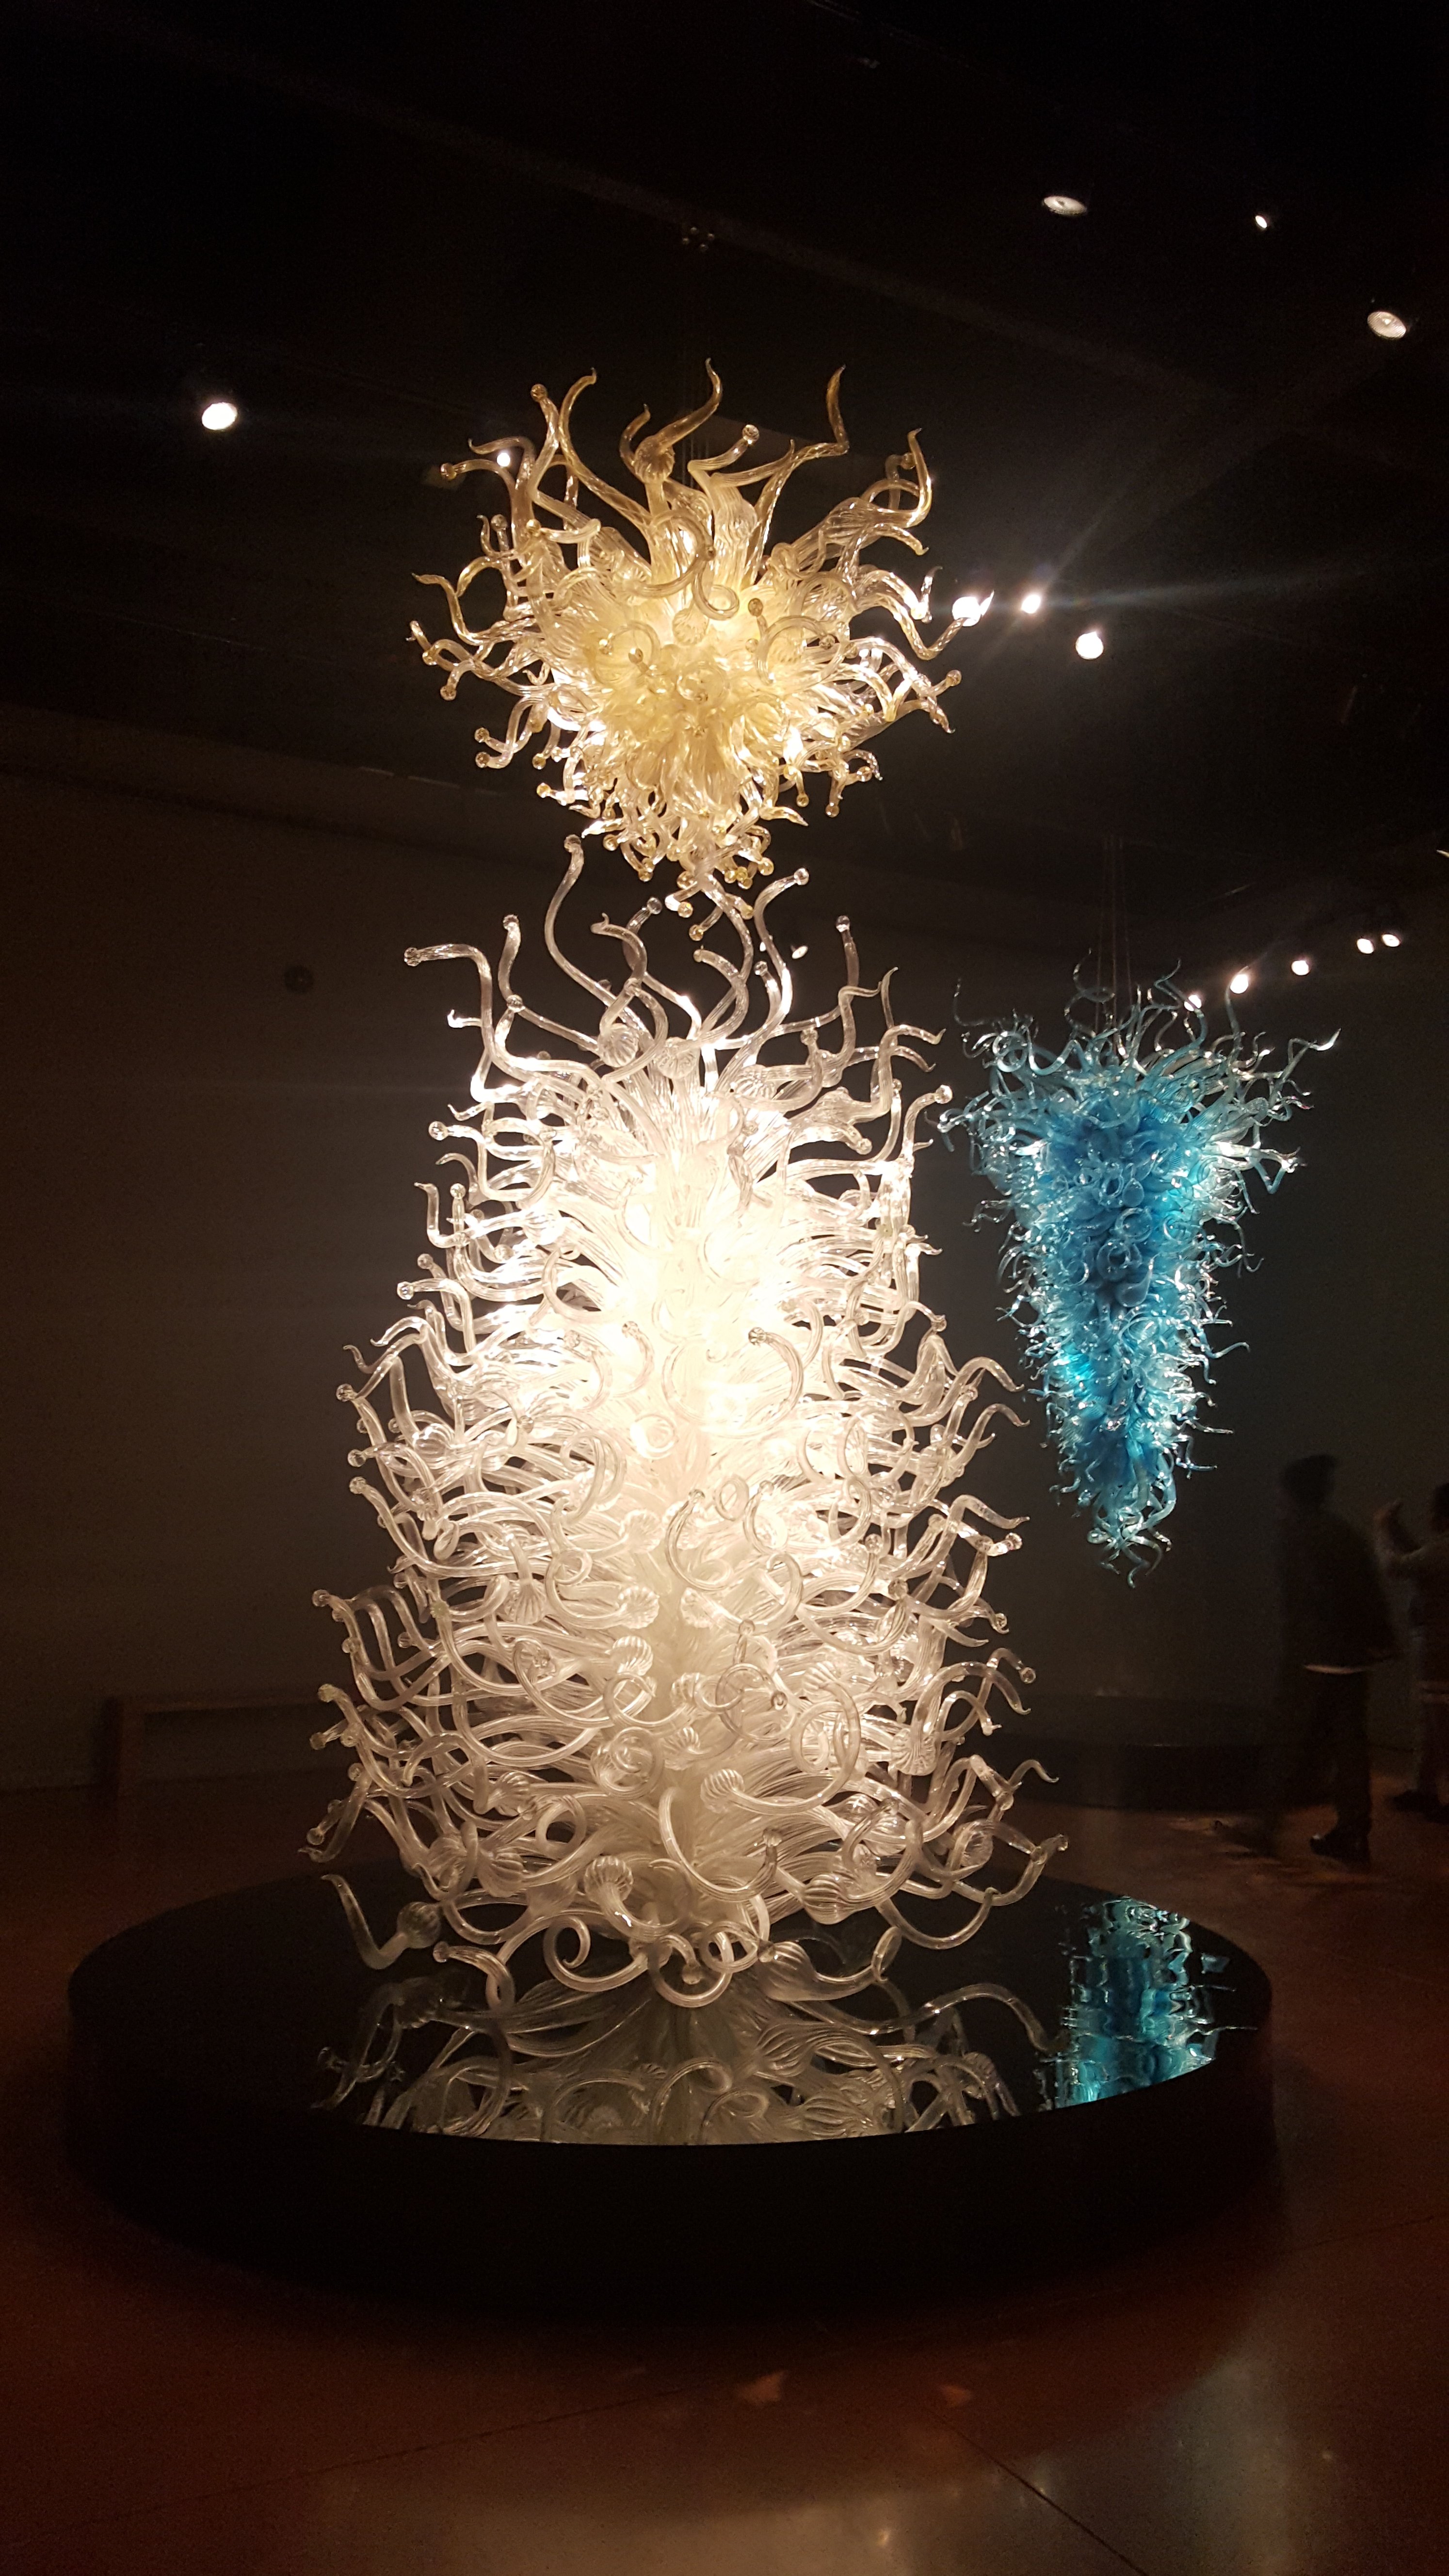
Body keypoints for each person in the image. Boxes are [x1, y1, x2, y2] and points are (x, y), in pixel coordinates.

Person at [1232, 1454, 1397, 1867]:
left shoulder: (1296, 1535)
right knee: (1350, 1750)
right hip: (1353, 1660)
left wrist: (1308, 1645)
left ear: (1291, 1495)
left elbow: (1306, 1600)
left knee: (1286, 1743)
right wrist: (1378, 1641)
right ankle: (1354, 1835)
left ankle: (1264, 1827)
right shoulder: (1344, 1533)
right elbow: (1370, 1592)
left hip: (1312, 1658)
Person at [1375, 1483, 1449, 1819]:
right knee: (1431, 1721)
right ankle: (1425, 1790)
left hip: (1438, 1649)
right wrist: (1395, 1529)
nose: (1428, 1516)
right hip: (1437, 1647)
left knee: (1439, 1723)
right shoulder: (1441, 1550)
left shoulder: (1443, 1551)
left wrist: (1381, 1530)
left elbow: (1395, 1566)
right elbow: (1419, 1558)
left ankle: (1434, 1794)